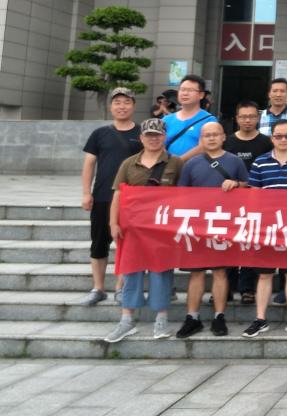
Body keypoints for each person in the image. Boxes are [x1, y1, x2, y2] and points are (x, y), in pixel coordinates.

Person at [102, 118, 184, 343]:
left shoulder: (175, 163)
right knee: (131, 271)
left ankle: (161, 319)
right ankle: (127, 320)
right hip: (133, 228)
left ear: (164, 137)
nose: (153, 139)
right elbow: (118, 194)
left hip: (162, 228)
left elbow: (185, 194)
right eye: (149, 135)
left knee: (161, 272)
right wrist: (113, 223)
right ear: (141, 138)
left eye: (157, 135)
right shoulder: (129, 163)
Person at [242, 120, 287, 338]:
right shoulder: (260, 162)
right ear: (272, 138)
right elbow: (253, 195)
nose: (283, 140)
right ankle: (260, 319)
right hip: (266, 226)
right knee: (265, 275)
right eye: (278, 136)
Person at [174, 122, 248, 339]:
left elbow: (248, 186)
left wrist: (236, 184)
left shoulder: (235, 161)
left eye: (216, 134)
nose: (212, 138)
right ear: (201, 139)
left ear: (224, 136)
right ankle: (192, 317)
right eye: (207, 135)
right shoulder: (191, 163)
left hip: (223, 223)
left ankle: (219, 316)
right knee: (196, 272)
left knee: (220, 271)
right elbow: (181, 194)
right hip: (197, 224)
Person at [80, 87, 142, 307]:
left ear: (134, 106)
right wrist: (86, 192)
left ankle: (121, 287)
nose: (122, 106)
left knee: (127, 244)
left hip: (132, 199)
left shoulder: (143, 133)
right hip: (103, 196)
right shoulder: (99, 133)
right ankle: (98, 288)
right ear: (111, 106)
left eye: (126, 102)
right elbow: (89, 163)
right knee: (99, 242)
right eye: (117, 102)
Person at [223, 100, 273, 305]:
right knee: (229, 243)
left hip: (257, 201)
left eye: (252, 116)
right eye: (243, 117)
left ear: (258, 118)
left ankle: (247, 288)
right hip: (229, 201)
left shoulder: (266, 142)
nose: (247, 120)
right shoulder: (227, 141)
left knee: (251, 243)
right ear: (237, 119)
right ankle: (225, 287)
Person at [162, 74, 217, 161]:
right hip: (168, 167)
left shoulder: (209, 120)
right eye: (182, 89)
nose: (185, 93)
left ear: (201, 95)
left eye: (190, 90)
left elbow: (203, 147)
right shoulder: (166, 120)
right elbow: (158, 144)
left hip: (195, 167)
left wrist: (177, 163)